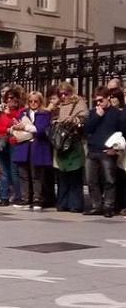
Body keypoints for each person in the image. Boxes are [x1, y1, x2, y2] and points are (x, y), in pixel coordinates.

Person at [84, 87, 123, 218]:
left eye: (101, 100)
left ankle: (108, 206)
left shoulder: (116, 113)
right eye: (96, 101)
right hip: (93, 149)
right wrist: (96, 116)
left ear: (108, 98)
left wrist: (115, 149)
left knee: (109, 180)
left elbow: (121, 133)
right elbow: (87, 128)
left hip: (107, 151)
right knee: (91, 180)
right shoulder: (93, 112)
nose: (98, 104)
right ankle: (96, 205)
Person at [11, 91, 53, 211]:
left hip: (38, 146)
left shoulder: (44, 114)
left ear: (40, 102)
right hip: (24, 147)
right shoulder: (23, 113)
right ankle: (25, 199)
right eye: (31, 101)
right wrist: (24, 129)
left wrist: (25, 127)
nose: (33, 103)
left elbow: (40, 129)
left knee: (36, 175)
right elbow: (16, 126)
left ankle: (37, 199)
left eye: (36, 101)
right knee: (23, 174)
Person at [52, 82, 88, 213]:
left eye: (65, 93)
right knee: (62, 175)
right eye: (60, 94)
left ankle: (75, 204)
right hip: (60, 143)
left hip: (73, 142)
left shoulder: (78, 102)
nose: (63, 96)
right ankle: (62, 202)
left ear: (71, 92)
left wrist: (74, 119)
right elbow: (48, 116)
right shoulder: (57, 105)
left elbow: (84, 117)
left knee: (75, 175)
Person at [0, 87, 24, 206]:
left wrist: (9, 117)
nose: (10, 100)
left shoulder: (20, 111)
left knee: (14, 171)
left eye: (12, 98)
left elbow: (18, 125)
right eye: (7, 98)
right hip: (1, 143)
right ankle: (4, 196)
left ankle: (18, 195)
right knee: (4, 171)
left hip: (13, 142)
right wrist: (6, 129)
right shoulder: (1, 113)